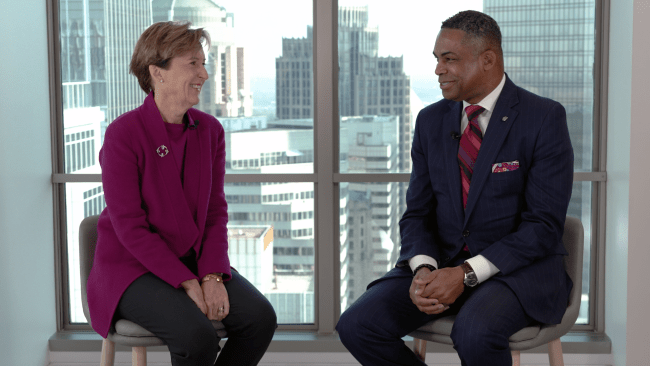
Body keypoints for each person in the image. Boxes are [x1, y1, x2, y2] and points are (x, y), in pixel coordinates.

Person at [337, 10, 574, 366]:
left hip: (516, 273)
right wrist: (422, 270)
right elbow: (417, 212)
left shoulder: (543, 118)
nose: (438, 70)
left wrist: (465, 274)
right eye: (436, 59)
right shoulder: (430, 121)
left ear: (487, 60)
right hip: (442, 265)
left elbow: (543, 226)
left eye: (449, 59)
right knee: (357, 324)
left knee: (475, 331)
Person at [86, 21, 276, 366]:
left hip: (194, 259)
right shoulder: (123, 134)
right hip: (133, 268)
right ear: (157, 72)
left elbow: (215, 212)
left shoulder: (210, 131)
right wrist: (188, 282)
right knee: (196, 336)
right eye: (193, 63)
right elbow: (130, 227)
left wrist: (212, 275)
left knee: (260, 319)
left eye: (204, 63)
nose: (204, 73)